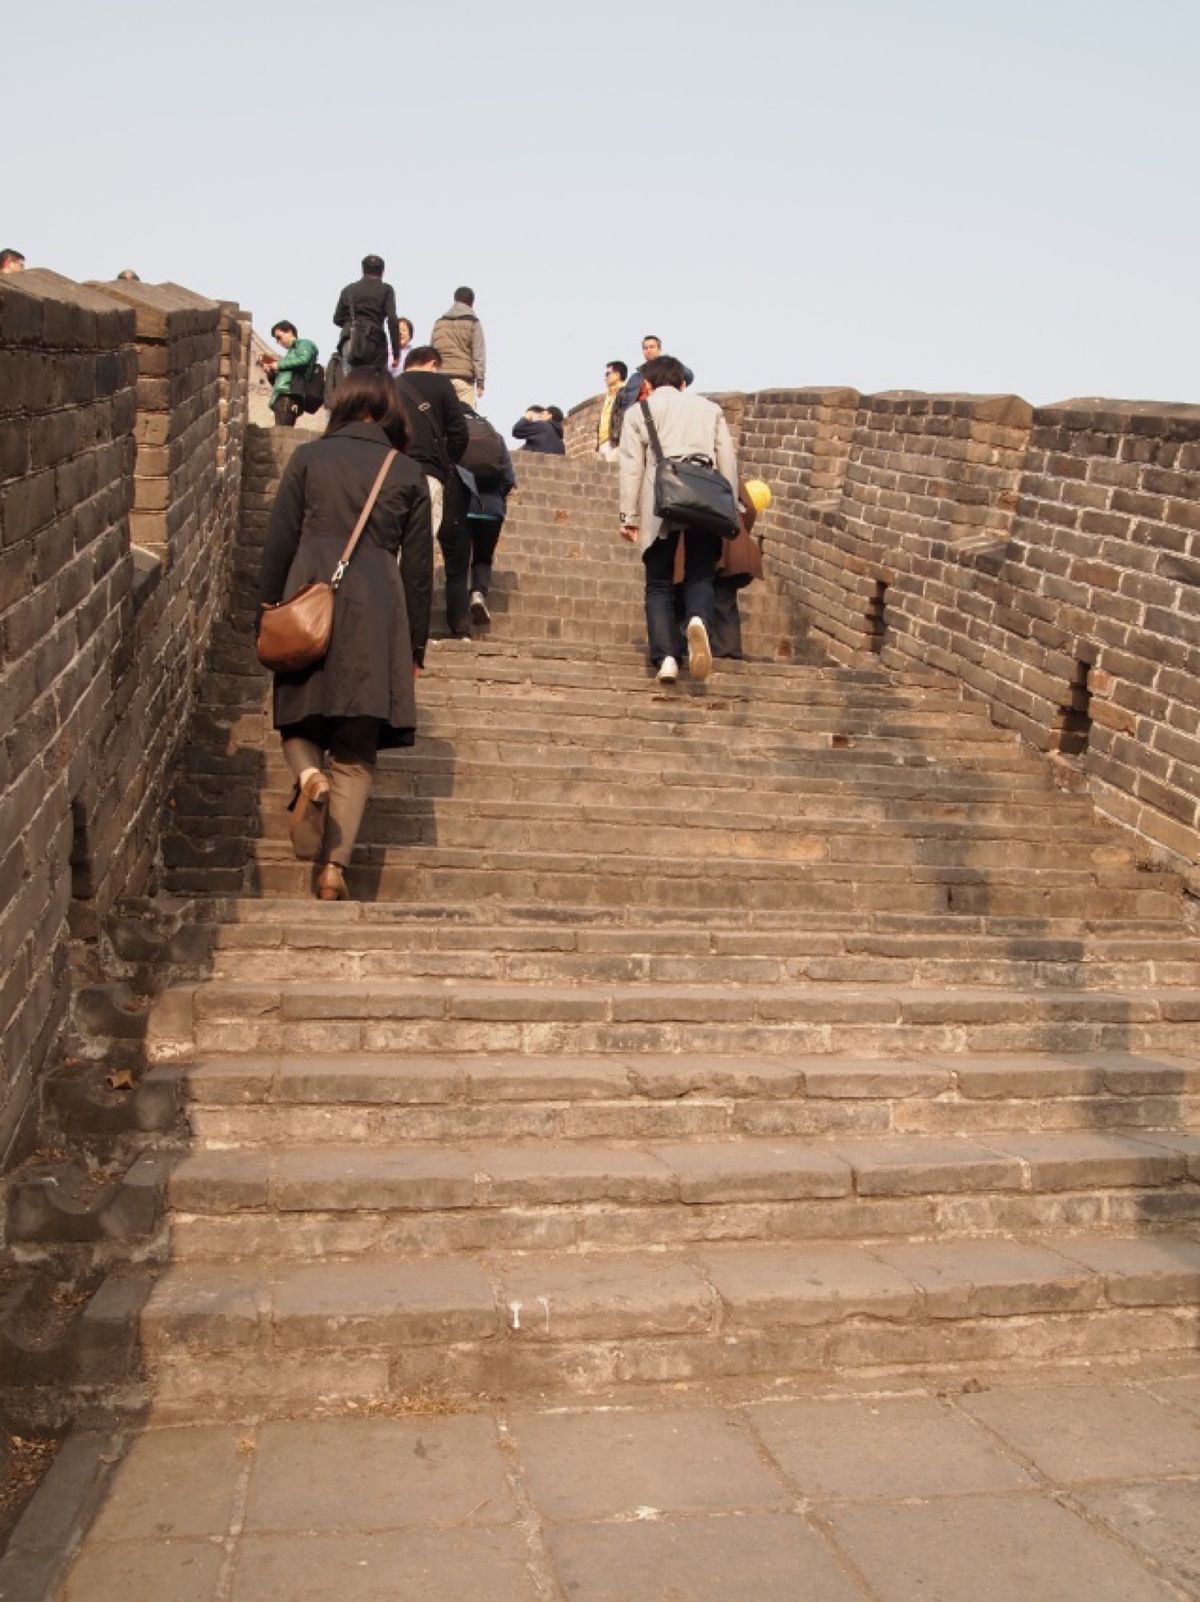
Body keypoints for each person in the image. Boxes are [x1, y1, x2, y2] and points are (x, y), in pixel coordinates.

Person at [256, 369, 432, 900]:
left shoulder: (309, 457)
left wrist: (264, 609)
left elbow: (278, 540)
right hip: (377, 609)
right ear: (391, 413)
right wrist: (415, 647)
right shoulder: (405, 472)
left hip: (309, 594)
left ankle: (309, 777)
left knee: (298, 716)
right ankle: (334, 869)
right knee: (356, 751)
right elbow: (419, 570)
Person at [619, 354, 738, 684]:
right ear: (683, 383)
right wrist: (729, 505)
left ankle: (667, 657)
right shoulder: (709, 409)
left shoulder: (638, 412)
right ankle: (698, 619)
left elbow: (631, 467)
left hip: (660, 501)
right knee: (700, 574)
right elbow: (727, 459)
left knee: (658, 584)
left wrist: (629, 515)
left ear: (647, 384)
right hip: (703, 497)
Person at [394, 345, 469, 539]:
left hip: (392, 470)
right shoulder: (441, 383)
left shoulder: (391, 385)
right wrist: (445, 462)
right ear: (433, 363)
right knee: (420, 544)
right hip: (428, 472)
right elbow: (460, 434)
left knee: (392, 538)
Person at [460, 430, 517, 626]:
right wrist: (498, 497)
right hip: (492, 509)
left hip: (465, 505)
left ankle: (458, 609)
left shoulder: (460, 437)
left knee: (460, 558)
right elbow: (509, 478)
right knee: (483, 557)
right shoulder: (498, 439)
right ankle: (477, 595)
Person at [610, 335, 694, 448]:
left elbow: (689, 376)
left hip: (663, 416)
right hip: (640, 418)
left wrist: (666, 362)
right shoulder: (636, 377)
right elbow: (625, 403)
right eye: (645, 348)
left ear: (659, 349)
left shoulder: (669, 370)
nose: (648, 350)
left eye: (652, 347)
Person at [332, 254, 399, 376]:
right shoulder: (386, 289)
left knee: (351, 384)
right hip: (375, 341)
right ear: (382, 271)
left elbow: (337, 319)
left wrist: (352, 323)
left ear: (362, 270)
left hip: (351, 339)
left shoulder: (348, 289)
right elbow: (392, 320)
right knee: (375, 385)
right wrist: (396, 352)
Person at [431, 286, 486, 409]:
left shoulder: (439, 323)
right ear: (471, 303)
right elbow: (478, 355)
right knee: (465, 420)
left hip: (441, 379)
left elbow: (431, 353)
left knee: (441, 419)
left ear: (455, 300)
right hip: (463, 380)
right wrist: (480, 382)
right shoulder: (473, 323)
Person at [261, 320, 319, 428]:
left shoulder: (304, 344)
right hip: (282, 396)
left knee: (283, 430)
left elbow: (304, 359)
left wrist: (278, 365)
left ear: (289, 332)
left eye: (279, 337)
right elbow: (279, 382)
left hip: (289, 396)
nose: (278, 342)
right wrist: (271, 372)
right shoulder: (289, 356)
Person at [597, 360, 627, 460]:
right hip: (603, 442)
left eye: (608, 374)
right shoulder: (609, 395)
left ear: (617, 375)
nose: (605, 378)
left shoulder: (625, 393)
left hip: (615, 442)